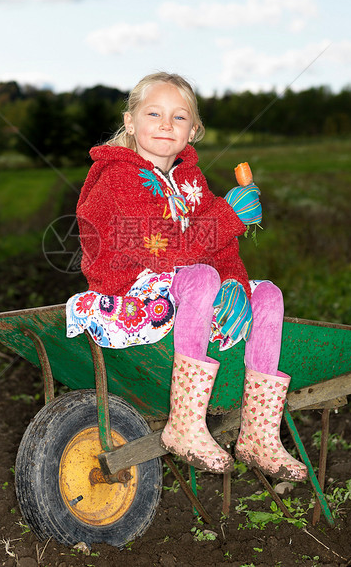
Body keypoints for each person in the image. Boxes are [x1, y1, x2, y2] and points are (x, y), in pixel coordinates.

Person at [66, 72, 306, 481]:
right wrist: (228, 217)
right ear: (130, 121)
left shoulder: (190, 180)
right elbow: (161, 249)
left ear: (193, 131)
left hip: (184, 285)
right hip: (130, 289)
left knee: (267, 294)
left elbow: (220, 248)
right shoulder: (117, 178)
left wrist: (233, 281)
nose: (165, 124)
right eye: (154, 113)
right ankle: (185, 424)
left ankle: (259, 434)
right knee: (198, 277)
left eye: (179, 118)